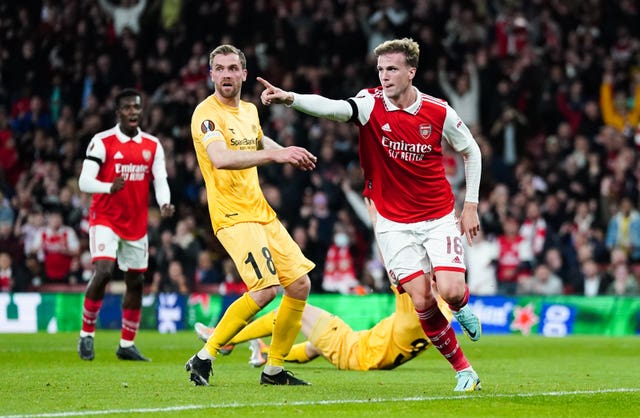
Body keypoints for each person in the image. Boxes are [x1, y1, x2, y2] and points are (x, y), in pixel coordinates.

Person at [259, 38, 482, 392]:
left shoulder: (439, 112)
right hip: (394, 224)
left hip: (438, 216)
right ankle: (464, 370)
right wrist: (290, 98)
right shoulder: (369, 104)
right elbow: (331, 108)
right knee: (422, 300)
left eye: (392, 69)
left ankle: (461, 306)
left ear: (411, 71)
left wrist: (470, 205)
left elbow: (472, 151)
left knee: (452, 292)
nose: (384, 76)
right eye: (380, 69)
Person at [185, 44, 318, 387]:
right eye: (220, 68)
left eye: (233, 68)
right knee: (265, 289)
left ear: (244, 74)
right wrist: (277, 157)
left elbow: (258, 142)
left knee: (299, 285)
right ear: (211, 74)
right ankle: (205, 356)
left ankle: (273, 369)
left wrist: (288, 153)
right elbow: (221, 158)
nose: (226, 74)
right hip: (232, 214)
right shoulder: (207, 113)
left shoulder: (248, 111)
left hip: (260, 211)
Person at [77, 88, 175, 361]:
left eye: (137, 107)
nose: (133, 112)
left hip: (136, 222)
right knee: (105, 270)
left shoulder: (152, 145)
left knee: (136, 280)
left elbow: (161, 179)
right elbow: (84, 182)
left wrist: (164, 202)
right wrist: (109, 187)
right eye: (128, 108)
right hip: (105, 217)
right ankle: (86, 335)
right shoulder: (102, 141)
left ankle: (126, 344)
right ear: (118, 112)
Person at [195, 283, 450, 371]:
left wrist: (377, 217)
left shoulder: (416, 309)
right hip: (362, 352)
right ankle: (264, 352)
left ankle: (227, 339)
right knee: (315, 346)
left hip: (352, 348)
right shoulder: (444, 315)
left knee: (294, 307)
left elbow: (396, 266)